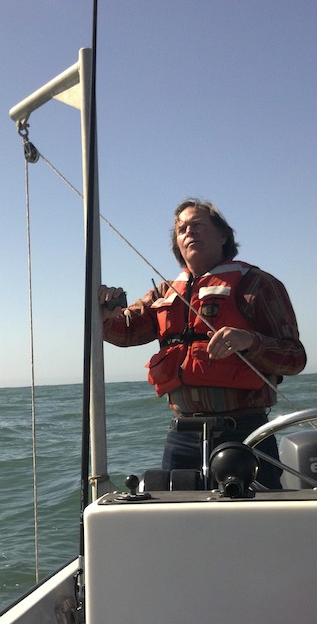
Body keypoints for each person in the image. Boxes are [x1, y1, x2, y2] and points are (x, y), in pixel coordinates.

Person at [99, 198, 306, 489]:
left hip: (244, 432)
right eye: (182, 228)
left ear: (223, 236)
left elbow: (295, 358)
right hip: (181, 436)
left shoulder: (257, 285)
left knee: (255, 525)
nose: (189, 232)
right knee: (181, 526)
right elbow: (124, 332)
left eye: (198, 225)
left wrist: (249, 341)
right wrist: (104, 316)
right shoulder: (164, 292)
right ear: (177, 244)